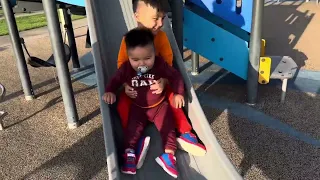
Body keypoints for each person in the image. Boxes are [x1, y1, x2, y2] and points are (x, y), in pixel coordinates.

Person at [116, 0, 207, 168]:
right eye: (155, 18)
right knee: (121, 104)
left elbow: (168, 63)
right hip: (136, 90)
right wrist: (125, 86)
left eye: (163, 18)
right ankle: (134, 140)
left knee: (174, 97)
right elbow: (122, 64)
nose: (160, 24)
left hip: (156, 89)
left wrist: (164, 82)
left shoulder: (162, 37)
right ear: (137, 16)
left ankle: (184, 132)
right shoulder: (128, 40)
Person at [104, 28, 183, 178]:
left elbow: (175, 76)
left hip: (159, 106)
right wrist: (110, 91)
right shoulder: (127, 68)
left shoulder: (159, 64)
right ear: (129, 57)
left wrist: (178, 93)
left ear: (154, 53)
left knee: (168, 128)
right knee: (132, 131)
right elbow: (115, 80)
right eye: (135, 60)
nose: (142, 63)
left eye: (147, 58)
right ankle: (129, 156)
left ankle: (169, 156)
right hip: (138, 108)